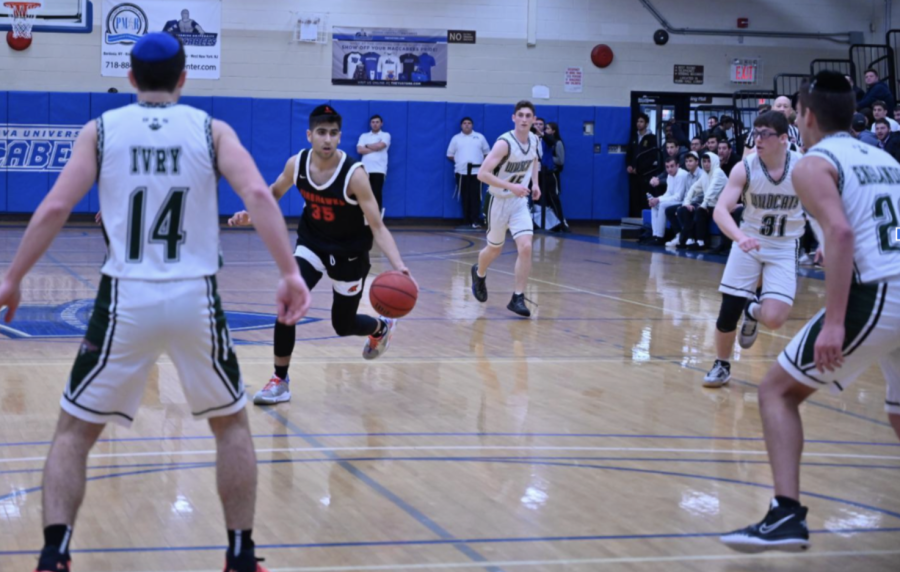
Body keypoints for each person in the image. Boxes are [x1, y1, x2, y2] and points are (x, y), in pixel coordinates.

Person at [0, 33, 311, 572]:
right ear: (184, 78)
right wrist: (288, 271)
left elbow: (55, 205)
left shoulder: (100, 130)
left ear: (132, 78)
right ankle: (241, 556)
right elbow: (260, 195)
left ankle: (54, 555)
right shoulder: (211, 130)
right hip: (196, 295)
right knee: (231, 424)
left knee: (74, 431)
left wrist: (13, 277)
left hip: (126, 296)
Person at [721, 69, 900, 553]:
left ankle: (785, 515)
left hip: (880, 291)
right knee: (898, 411)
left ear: (807, 117)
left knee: (776, 392)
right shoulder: (882, 156)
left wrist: (836, 321)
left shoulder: (811, 162)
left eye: (795, 113)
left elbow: (841, 233)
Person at [228, 105, 414, 405]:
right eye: (321, 132)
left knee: (343, 325)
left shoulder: (355, 175)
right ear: (309, 135)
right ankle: (280, 380)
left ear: (340, 137)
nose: (327, 139)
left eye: (333, 133)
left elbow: (378, 227)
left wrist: (400, 267)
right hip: (312, 244)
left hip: (350, 254)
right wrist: (251, 214)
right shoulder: (297, 164)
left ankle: (381, 327)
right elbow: (274, 192)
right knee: (287, 304)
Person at [703, 111, 805, 388]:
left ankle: (754, 312)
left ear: (783, 138)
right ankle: (721, 364)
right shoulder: (744, 167)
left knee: (774, 318)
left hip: (784, 246)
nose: (757, 139)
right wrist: (738, 237)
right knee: (728, 309)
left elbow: (821, 207)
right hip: (748, 241)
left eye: (765, 134)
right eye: (755, 133)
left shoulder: (803, 167)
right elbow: (721, 211)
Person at [470, 100, 541, 317]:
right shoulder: (504, 143)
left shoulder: (535, 140)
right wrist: (512, 186)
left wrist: (535, 183)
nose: (524, 119)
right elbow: (482, 174)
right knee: (495, 249)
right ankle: (479, 273)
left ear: (534, 119)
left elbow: (534, 161)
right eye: (520, 115)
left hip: (518, 201)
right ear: (513, 118)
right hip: (497, 200)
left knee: (526, 247)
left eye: (528, 115)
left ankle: (517, 297)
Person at [676, 151, 727, 251]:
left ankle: (702, 242)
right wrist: (686, 203)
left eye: (709, 161)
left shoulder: (718, 172)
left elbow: (712, 191)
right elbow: (693, 189)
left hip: (723, 205)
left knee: (700, 210)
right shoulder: (705, 174)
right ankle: (694, 240)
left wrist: (704, 205)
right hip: (711, 205)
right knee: (687, 210)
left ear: (714, 161)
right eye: (704, 161)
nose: (706, 164)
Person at [447, 117, 490, 228]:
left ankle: (475, 220)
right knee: (465, 197)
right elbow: (450, 155)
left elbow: (487, 153)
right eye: (464, 123)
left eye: (469, 123)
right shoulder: (456, 138)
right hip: (461, 173)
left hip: (477, 172)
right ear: (461, 125)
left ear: (472, 125)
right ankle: (466, 221)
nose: (467, 125)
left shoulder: (480, 137)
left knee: (476, 197)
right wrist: (461, 162)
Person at [648, 156, 690, 245]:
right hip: (676, 200)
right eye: (667, 167)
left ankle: (660, 237)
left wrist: (659, 199)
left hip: (684, 201)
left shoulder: (681, 175)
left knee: (662, 205)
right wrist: (656, 199)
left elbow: (678, 197)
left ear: (677, 165)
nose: (669, 169)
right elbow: (668, 193)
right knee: (654, 205)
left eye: (672, 166)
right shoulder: (670, 176)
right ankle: (655, 235)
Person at [356, 114, 391, 212]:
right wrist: (374, 147)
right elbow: (359, 150)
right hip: (365, 170)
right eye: (373, 122)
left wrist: (366, 146)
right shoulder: (364, 136)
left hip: (379, 170)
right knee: (363, 193)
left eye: (377, 122)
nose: (375, 124)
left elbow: (380, 146)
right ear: (370, 124)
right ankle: (364, 215)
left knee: (376, 193)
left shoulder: (386, 135)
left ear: (381, 123)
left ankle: (377, 216)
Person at [627, 113, 658, 216]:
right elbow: (629, 153)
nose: (639, 124)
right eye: (637, 121)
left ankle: (645, 220)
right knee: (634, 197)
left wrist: (639, 169)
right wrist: (629, 166)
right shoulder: (634, 137)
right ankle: (634, 218)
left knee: (644, 197)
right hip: (633, 174)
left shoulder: (651, 138)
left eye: (641, 122)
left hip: (645, 174)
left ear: (646, 123)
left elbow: (652, 157)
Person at [543, 121, 569, 231]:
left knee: (555, 199)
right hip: (545, 173)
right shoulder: (545, 142)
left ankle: (562, 222)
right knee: (547, 200)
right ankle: (553, 224)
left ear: (553, 131)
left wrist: (547, 158)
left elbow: (560, 160)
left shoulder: (557, 143)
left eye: (548, 128)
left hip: (553, 174)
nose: (546, 130)